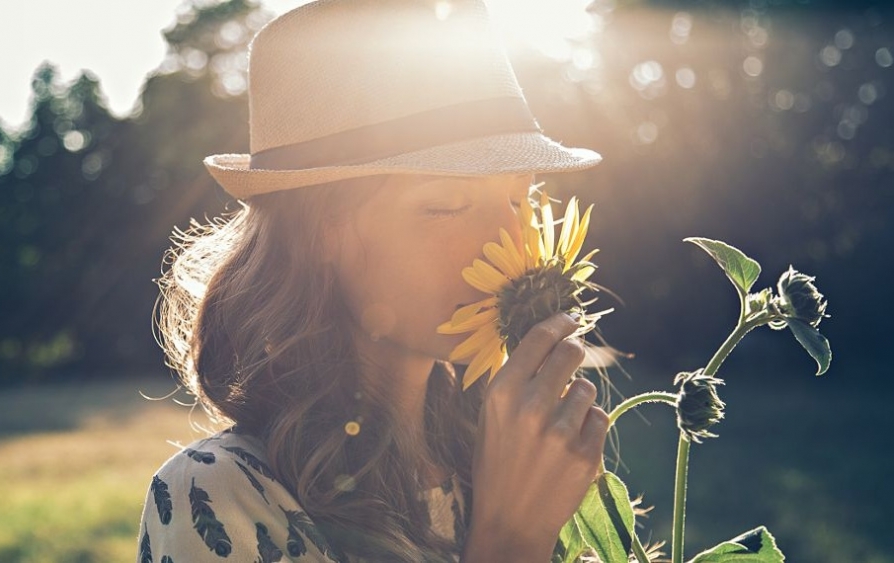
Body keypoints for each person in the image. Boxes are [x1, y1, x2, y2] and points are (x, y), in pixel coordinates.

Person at [138, 0, 610, 561]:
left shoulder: (511, 456)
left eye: (519, 197)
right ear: (320, 233)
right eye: (447, 206)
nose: (513, 242)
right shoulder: (221, 497)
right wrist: (510, 540)